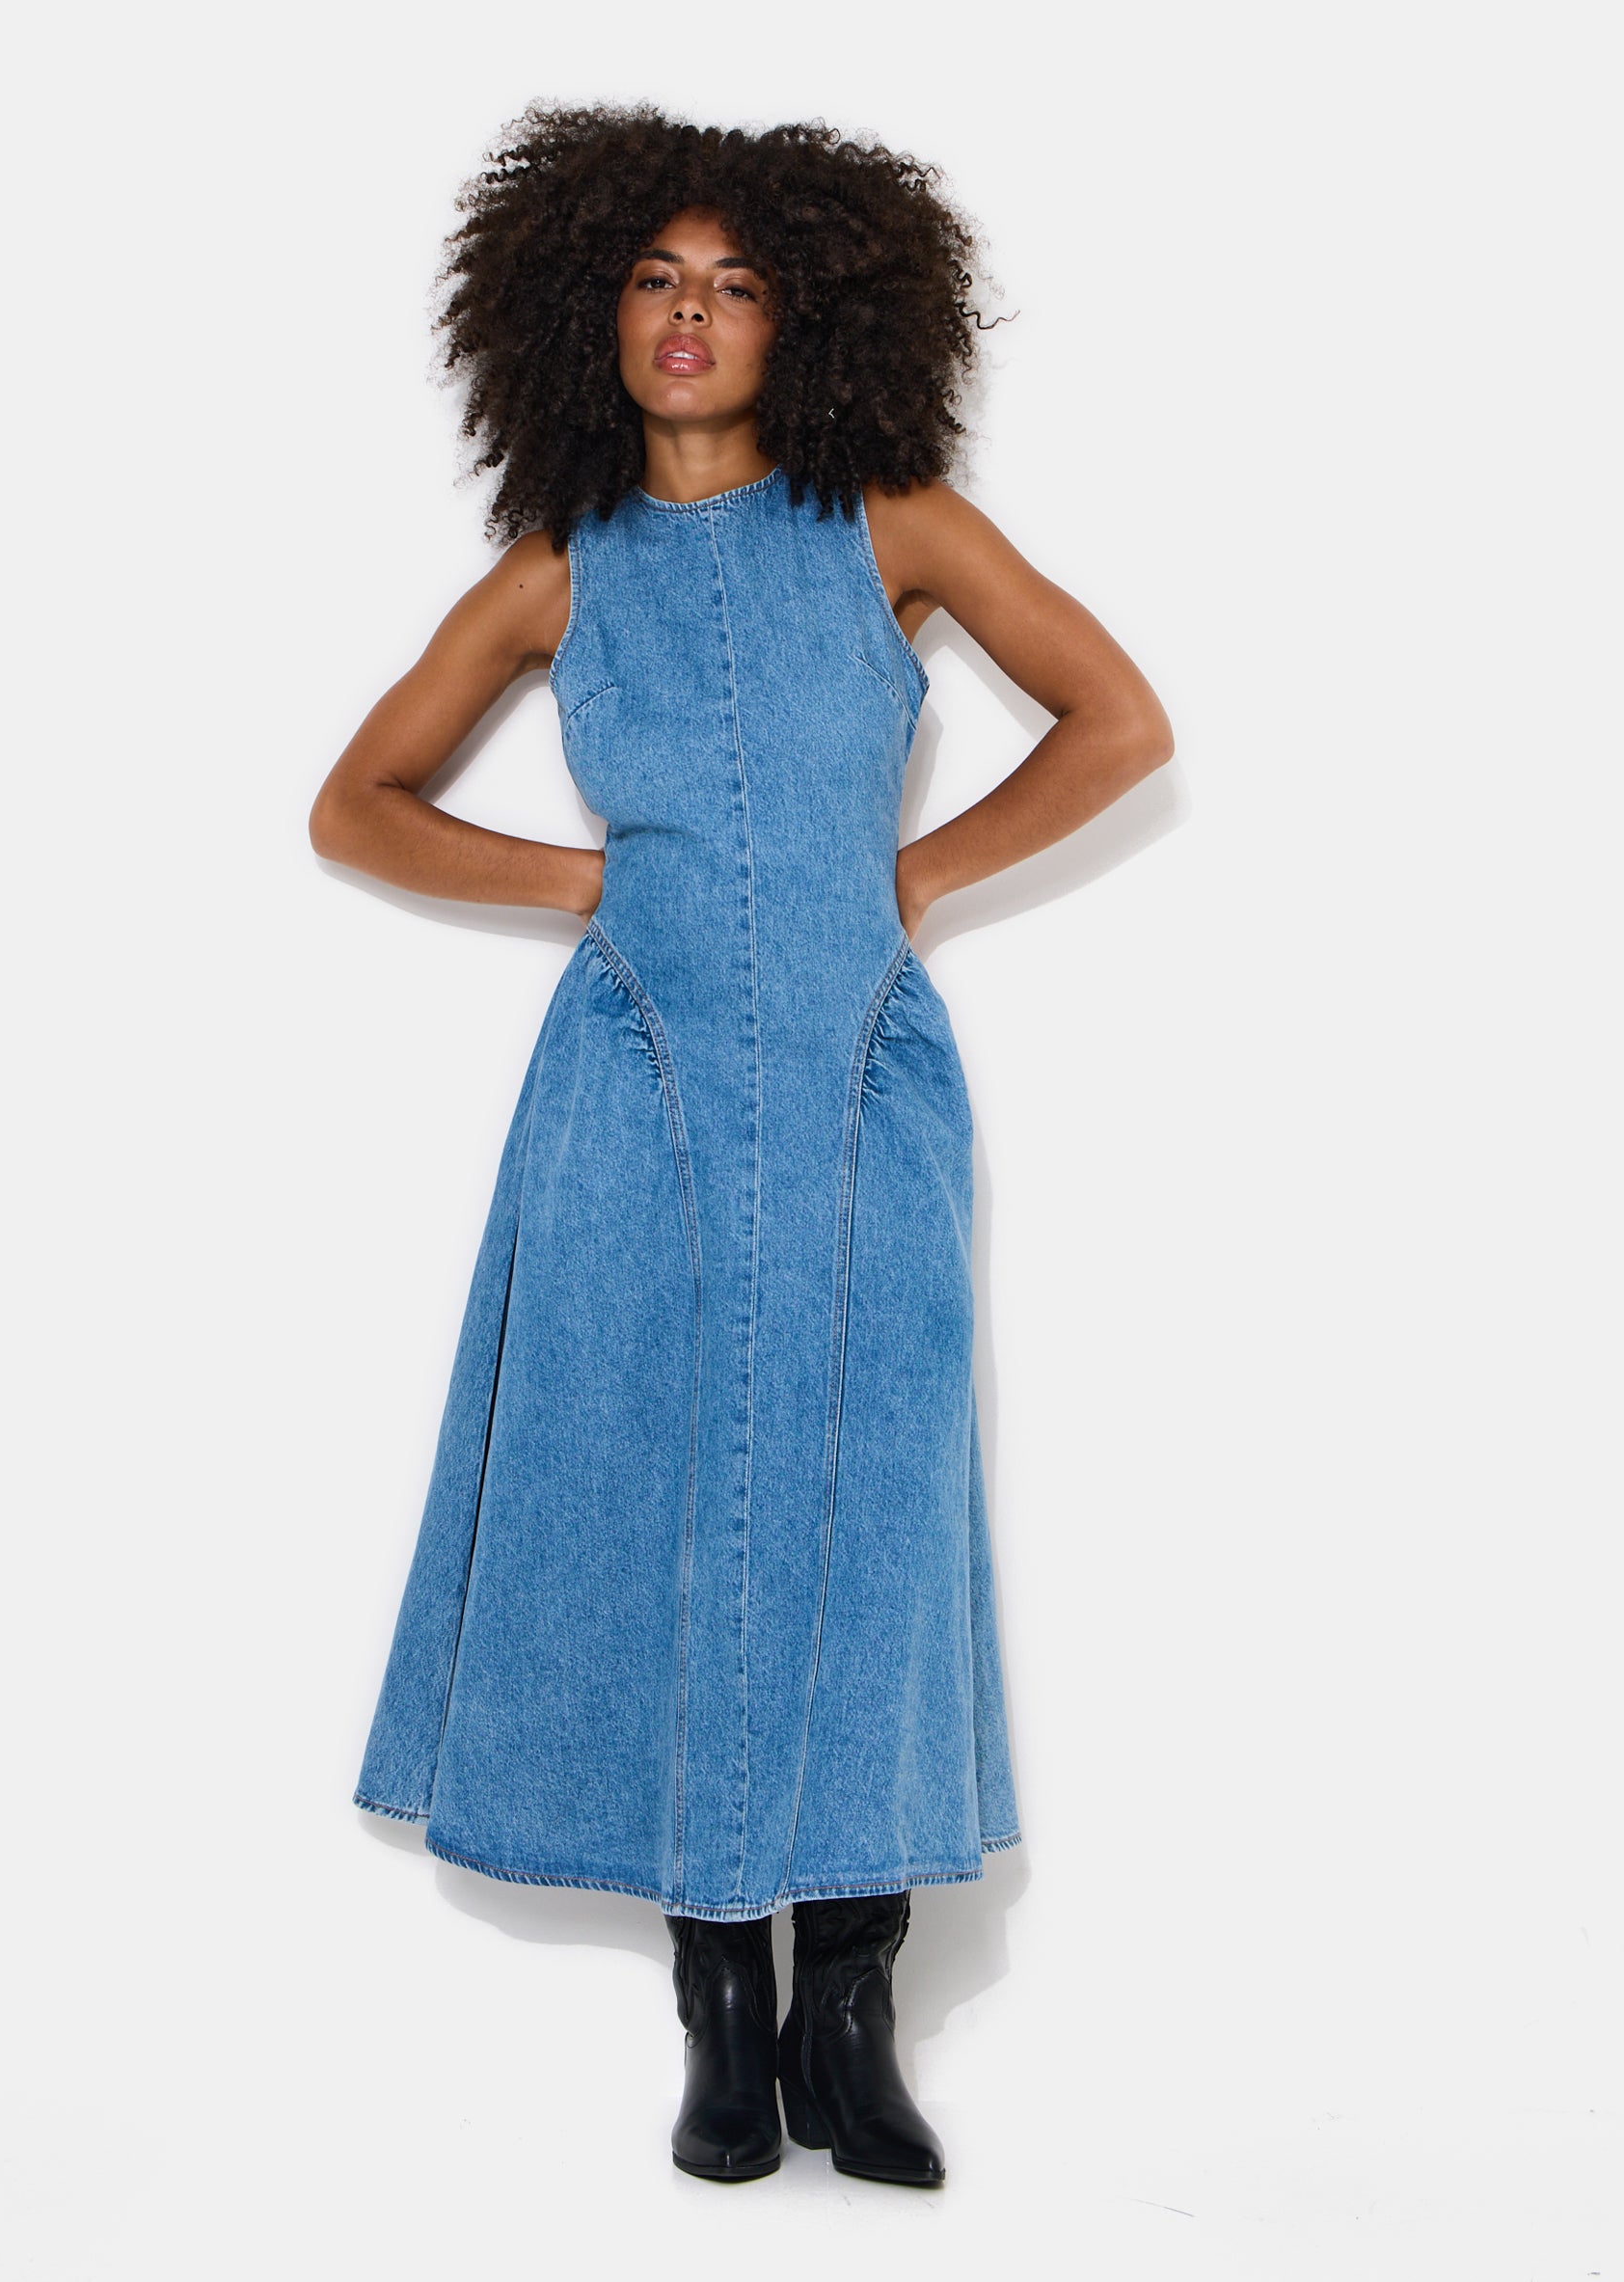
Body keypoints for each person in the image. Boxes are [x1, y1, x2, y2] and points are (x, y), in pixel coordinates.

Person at [309, 103, 1173, 2187]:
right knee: (660, 1485)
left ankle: (849, 2003)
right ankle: (719, 2000)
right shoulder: (558, 568)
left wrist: (913, 880)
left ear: (809, 321)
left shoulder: (893, 524)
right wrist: (589, 885)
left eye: (737, 284)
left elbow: (1123, 722)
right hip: (635, 1086)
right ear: (588, 314)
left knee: (880, 1505)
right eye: (653, 280)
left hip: (864, 1078)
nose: (689, 316)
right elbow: (356, 804)